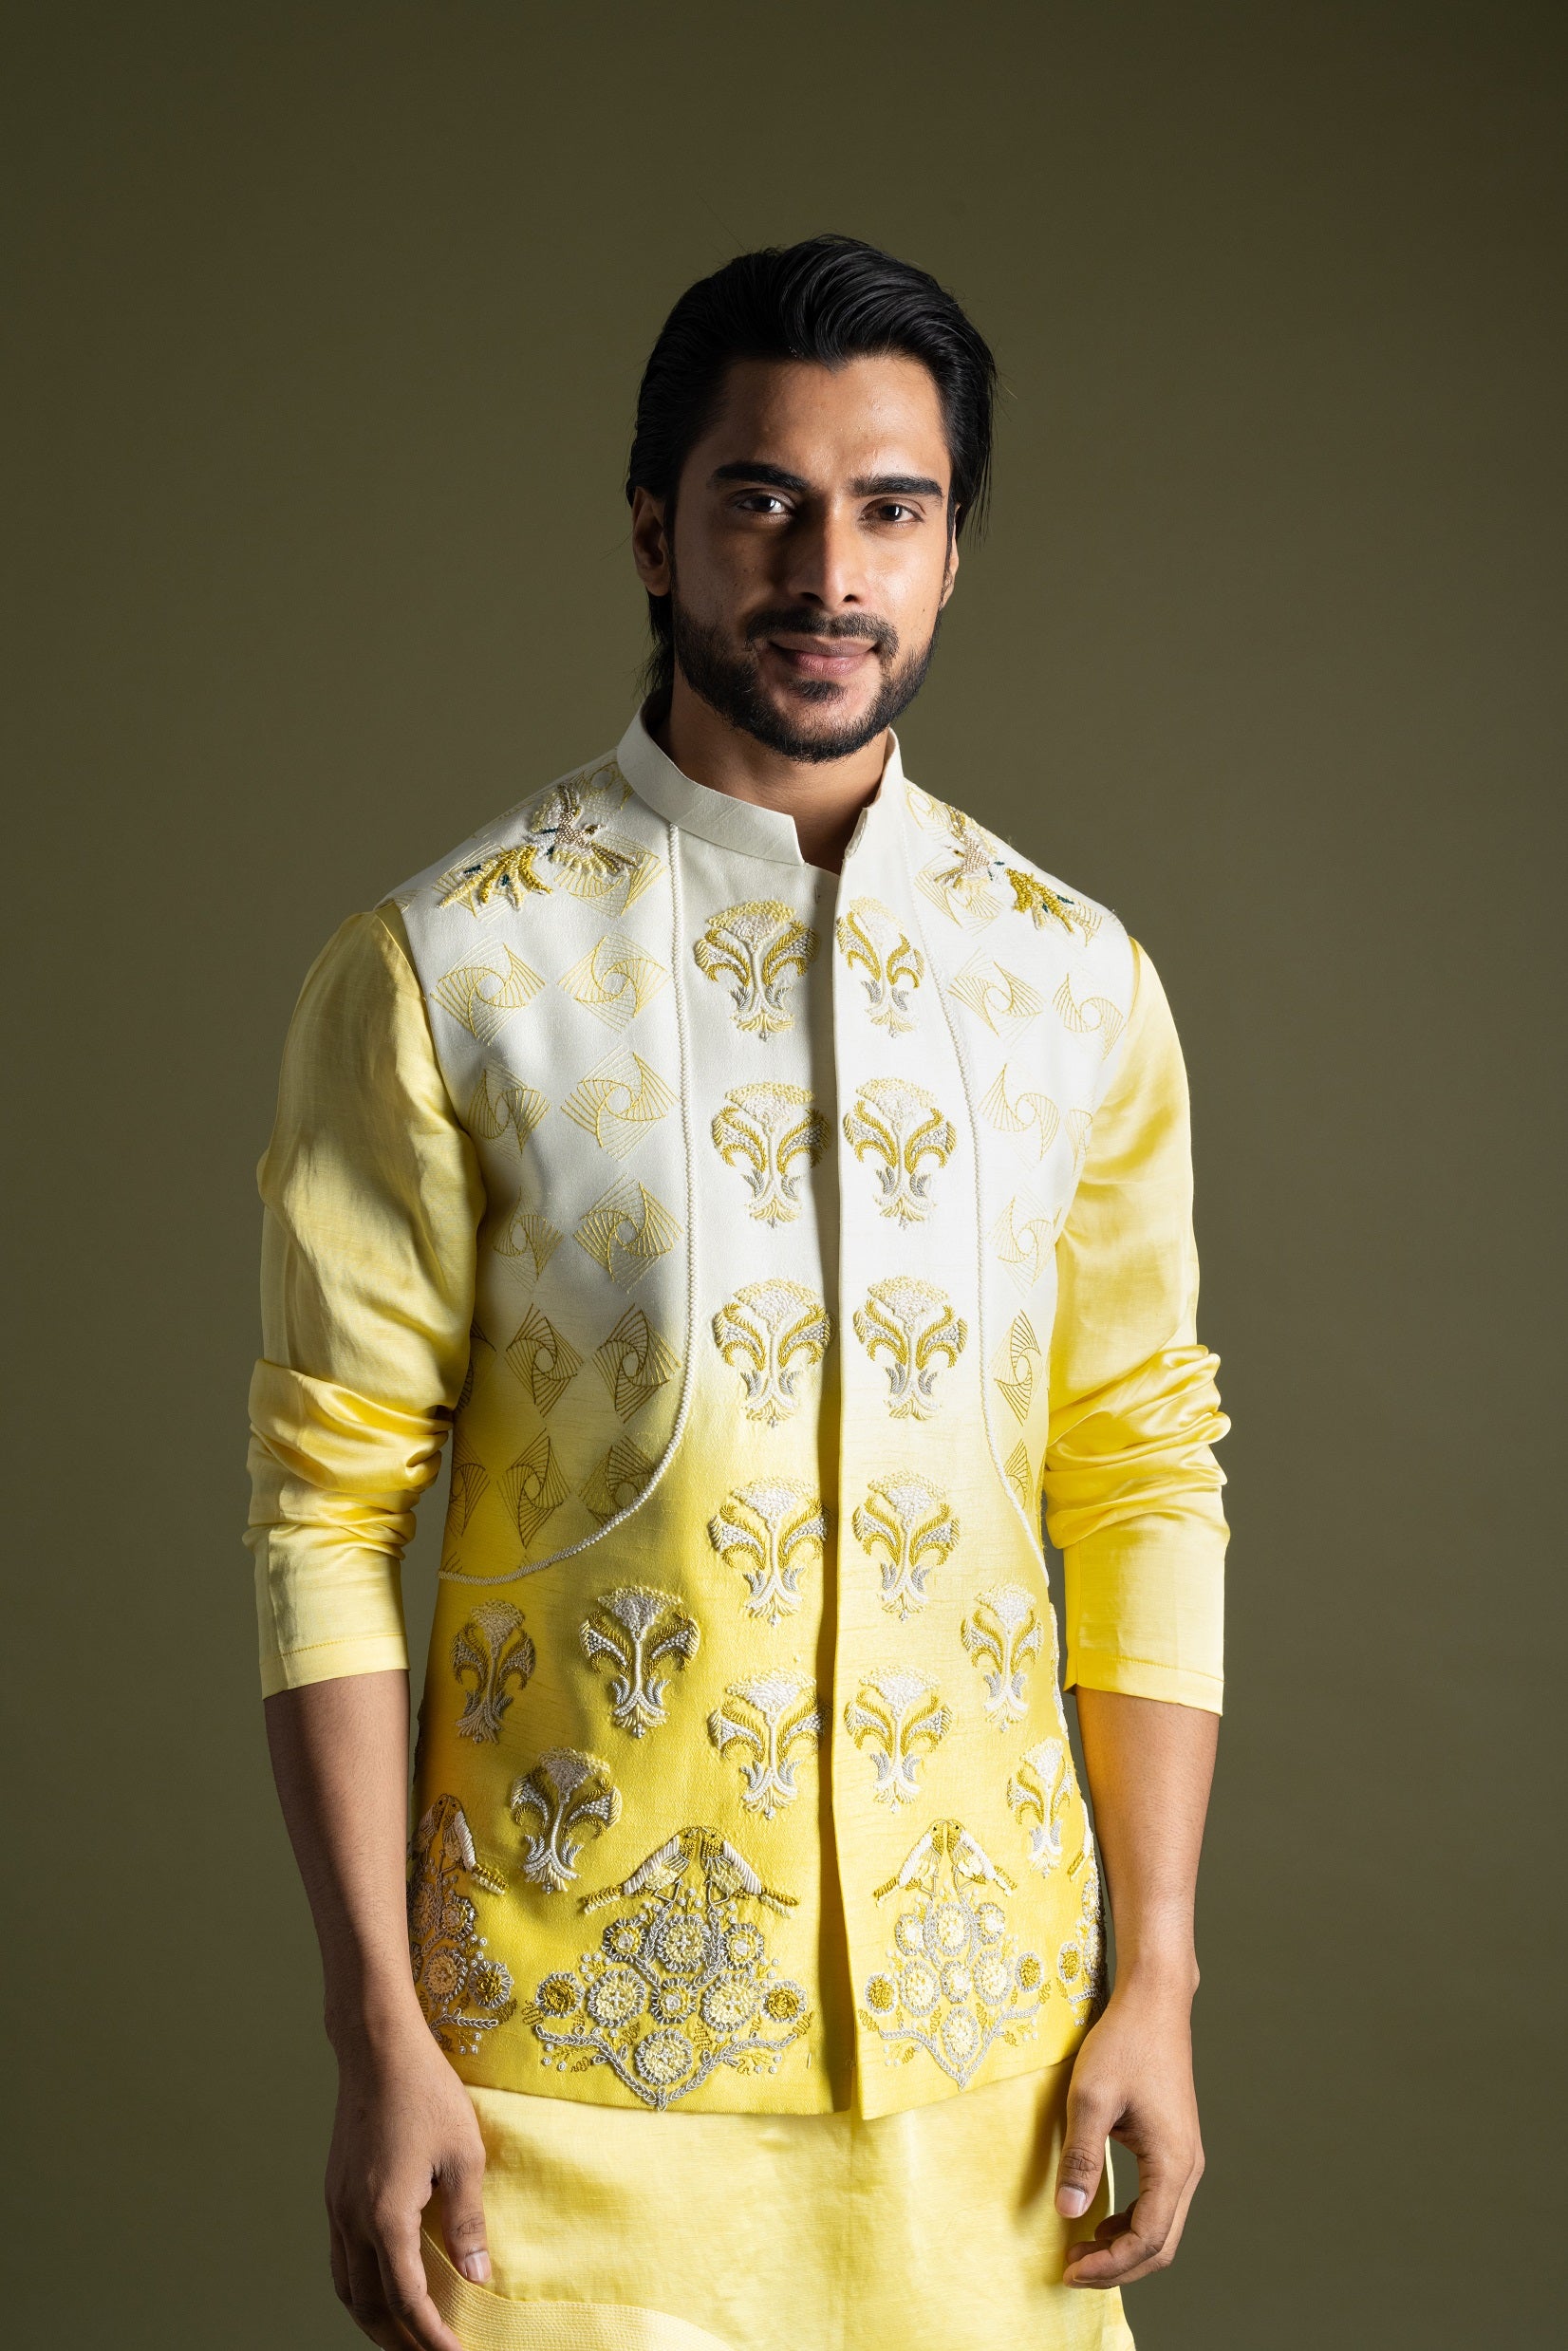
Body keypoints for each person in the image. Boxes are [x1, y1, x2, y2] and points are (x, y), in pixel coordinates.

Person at [248, 233, 1229, 2351]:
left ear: (951, 552)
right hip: (553, 2071)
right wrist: (375, 2031)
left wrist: (1152, 1977)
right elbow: (325, 1514)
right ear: (652, 531)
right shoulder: (447, 971)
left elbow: (1141, 1475)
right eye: (762, 500)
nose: (827, 571)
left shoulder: (1074, 983)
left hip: (994, 2075)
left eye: (892, 508)